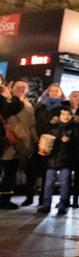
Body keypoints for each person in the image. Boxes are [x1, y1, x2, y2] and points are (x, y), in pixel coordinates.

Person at [24, 84, 65, 206]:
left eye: (56, 91)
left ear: (60, 93)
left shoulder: (63, 107)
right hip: (37, 141)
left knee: (46, 172)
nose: (53, 92)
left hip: (52, 143)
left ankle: (43, 199)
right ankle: (29, 196)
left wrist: (56, 124)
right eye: (51, 90)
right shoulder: (40, 106)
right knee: (31, 170)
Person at [38, 104, 77, 215]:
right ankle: (46, 204)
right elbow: (46, 140)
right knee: (49, 183)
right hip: (52, 159)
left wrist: (69, 141)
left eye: (68, 114)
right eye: (63, 114)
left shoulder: (73, 128)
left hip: (66, 160)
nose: (66, 116)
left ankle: (62, 204)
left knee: (64, 183)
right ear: (59, 115)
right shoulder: (53, 127)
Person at [0, 76, 25, 209]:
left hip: (9, 140)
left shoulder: (8, 98)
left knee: (10, 171)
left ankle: (5, 199)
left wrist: (9, 97)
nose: (21, 90)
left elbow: (11, 110)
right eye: (18, 87)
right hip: (6, 139)